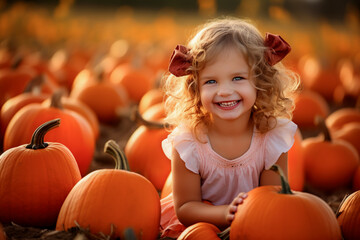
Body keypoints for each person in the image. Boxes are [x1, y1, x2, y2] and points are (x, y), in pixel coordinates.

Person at [160, 17, 300, 238]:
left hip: (256, 223)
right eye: (211, 81)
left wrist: (245, 216)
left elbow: (272, 200)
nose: (224, 91)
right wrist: (226, 213)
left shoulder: (272, 137)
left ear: (260, 81)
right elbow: (186, 208)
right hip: (202, 225)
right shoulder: (188, 142)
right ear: (196, 87)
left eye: (237, 78)